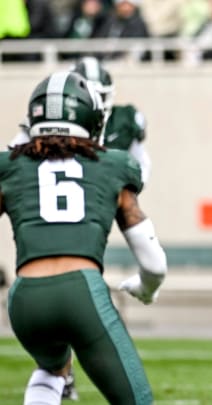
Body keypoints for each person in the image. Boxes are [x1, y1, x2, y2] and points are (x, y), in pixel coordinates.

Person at [4, 71, 167, 405]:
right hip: (80, 291)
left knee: (52, 368)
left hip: (24, 299)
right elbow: (153, 262)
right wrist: (145, 288)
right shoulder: (113, 164)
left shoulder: (9, 165)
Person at [11, 56, 152, 184]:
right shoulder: (48, 116)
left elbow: (142, 165)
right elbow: (13, 152)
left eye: (101, 96)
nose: (96, 101)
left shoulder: (124, 119)